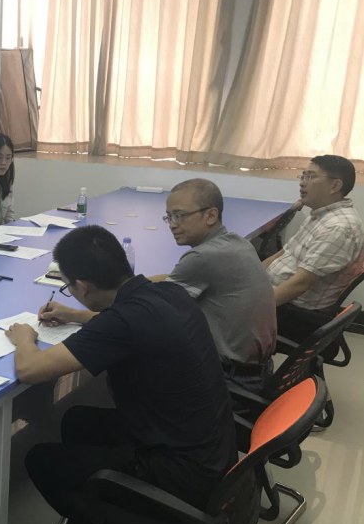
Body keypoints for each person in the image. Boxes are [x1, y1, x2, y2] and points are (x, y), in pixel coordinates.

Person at [5, 225, 237, 524]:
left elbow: (29, 369)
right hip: (210, 449)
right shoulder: (168, 292)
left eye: (69, 288)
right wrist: (73, 314)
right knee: (77, 420)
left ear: (82, 286)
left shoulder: (122, 323)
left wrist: (25, 338)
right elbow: (119, 318)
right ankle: (93, 522)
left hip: (180, 475)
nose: (72, 294)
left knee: (40, 460)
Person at [151, 179, 276, 393]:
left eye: (179, 216)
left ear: (211, 215)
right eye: (169, 217)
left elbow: (149, 314)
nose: (172, 224)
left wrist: (88, 315)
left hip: (229, 381)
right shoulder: (237, 243)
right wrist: (135, 283)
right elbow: (174, 279)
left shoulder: (202, 257)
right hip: (258, 372)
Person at [263, 155, 364, 342]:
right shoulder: (320, 214)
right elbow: (285, 252)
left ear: (335, 186)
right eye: (303, 176)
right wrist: (252, 276)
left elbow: (300, 284)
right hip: (275, 293)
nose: (302, 182)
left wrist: (253, 306)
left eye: (310, 176)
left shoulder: (339, 228)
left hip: (294, 312)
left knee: (215, 303)